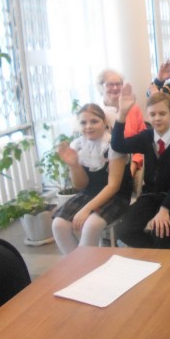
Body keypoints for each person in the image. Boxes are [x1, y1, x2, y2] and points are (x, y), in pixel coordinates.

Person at [112, 87, 170, 248]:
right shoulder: (146, 137)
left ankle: (161, 257)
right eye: (153, 114)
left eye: (162, 113)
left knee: (160, 232)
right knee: (123, 230)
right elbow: (118, 145)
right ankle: (156, 255)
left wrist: (165, 209)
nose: (157, 118)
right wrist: (122, 114)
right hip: (149, 196)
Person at [52, 104, 132, 254]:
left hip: (115, 197)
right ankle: (77, 265)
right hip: (89, 193)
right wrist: (74, 165)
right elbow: (81, 185)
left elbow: (113, 186)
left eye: (94, 121)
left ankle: (85, 263)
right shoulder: (78, 145)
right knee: (58, 225)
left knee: (91, 225)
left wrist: (86, 209)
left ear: (104, 122)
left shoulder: (113, 145)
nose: (88, 126)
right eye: (83, 122)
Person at [97, 69, 147, 178]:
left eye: (118, 84)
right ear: (101, 87)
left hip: (132, 164)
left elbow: (143, 140)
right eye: (110, 84)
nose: (115, 88)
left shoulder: (134, 109)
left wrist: (135, 163)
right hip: (103, 168)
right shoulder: (96, 113)